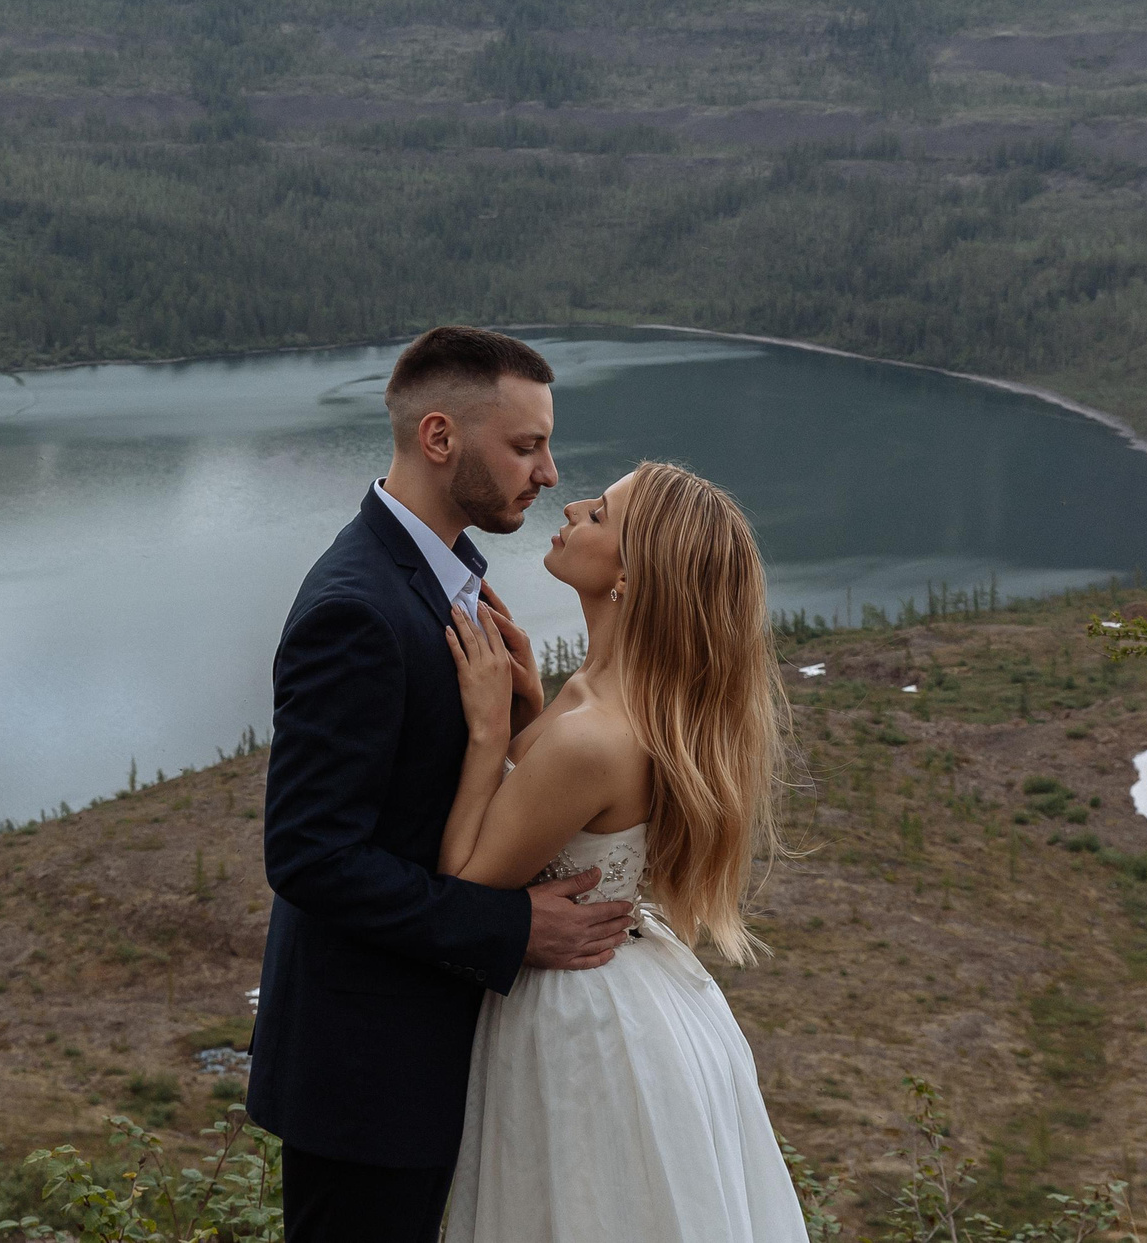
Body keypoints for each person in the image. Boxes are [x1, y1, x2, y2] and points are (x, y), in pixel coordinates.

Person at [247, 326, 636, 1243]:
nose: (548, 475)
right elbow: (308, 854)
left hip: (436, 1052)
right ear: (438, 437)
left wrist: (521, 733)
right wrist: (511, 925)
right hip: (366, 1076)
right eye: (527, 445)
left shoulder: (452, 578)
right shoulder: (356, 607)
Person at [436, 459, 812, 1243]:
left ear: (631, 580)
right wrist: (530, 714)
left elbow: (463, 889)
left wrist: (487, 734)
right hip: (642, 997)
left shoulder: (595, 736)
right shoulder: (605, 700)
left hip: (582, 1023)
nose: (570, 504)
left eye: (600, 514)